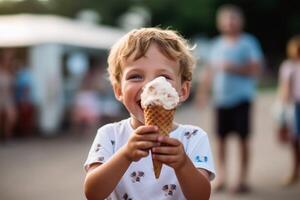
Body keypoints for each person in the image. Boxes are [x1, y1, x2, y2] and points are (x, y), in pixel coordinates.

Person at [84, 27, 216, 200]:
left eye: (164, 77)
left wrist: (183, 164)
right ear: (118, 91)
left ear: (182, 91)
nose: (150, 86)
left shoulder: (193, 137)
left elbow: (201, 196)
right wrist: (125, 155)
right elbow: (93, 193)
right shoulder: (109, 135)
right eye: (136, 76)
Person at [195, 4, 263, 193]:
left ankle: (242, 179)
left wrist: (233, 67)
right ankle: (222, 176)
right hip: (221, 101)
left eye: (233, 18)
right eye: (226, 18)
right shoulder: (216, 45)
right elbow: (208, 72)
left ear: (240, 21)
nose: (230, 22)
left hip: (242, 98)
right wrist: (203, 93)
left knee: (243, 139)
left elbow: (256, 69)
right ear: (220, 22)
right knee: (220, 140)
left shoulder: (249, 42)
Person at [276, 35, 300, 186]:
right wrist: (282, 113)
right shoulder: (289, 66)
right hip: (296, 106)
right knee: (295, 141)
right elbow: (285, 90)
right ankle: (295, 170)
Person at [0, 48, 17, 143]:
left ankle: (7, 136)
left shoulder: (11, 72)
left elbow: (13, 87)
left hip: (8, 97)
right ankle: (4, 136)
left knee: (11, 117)